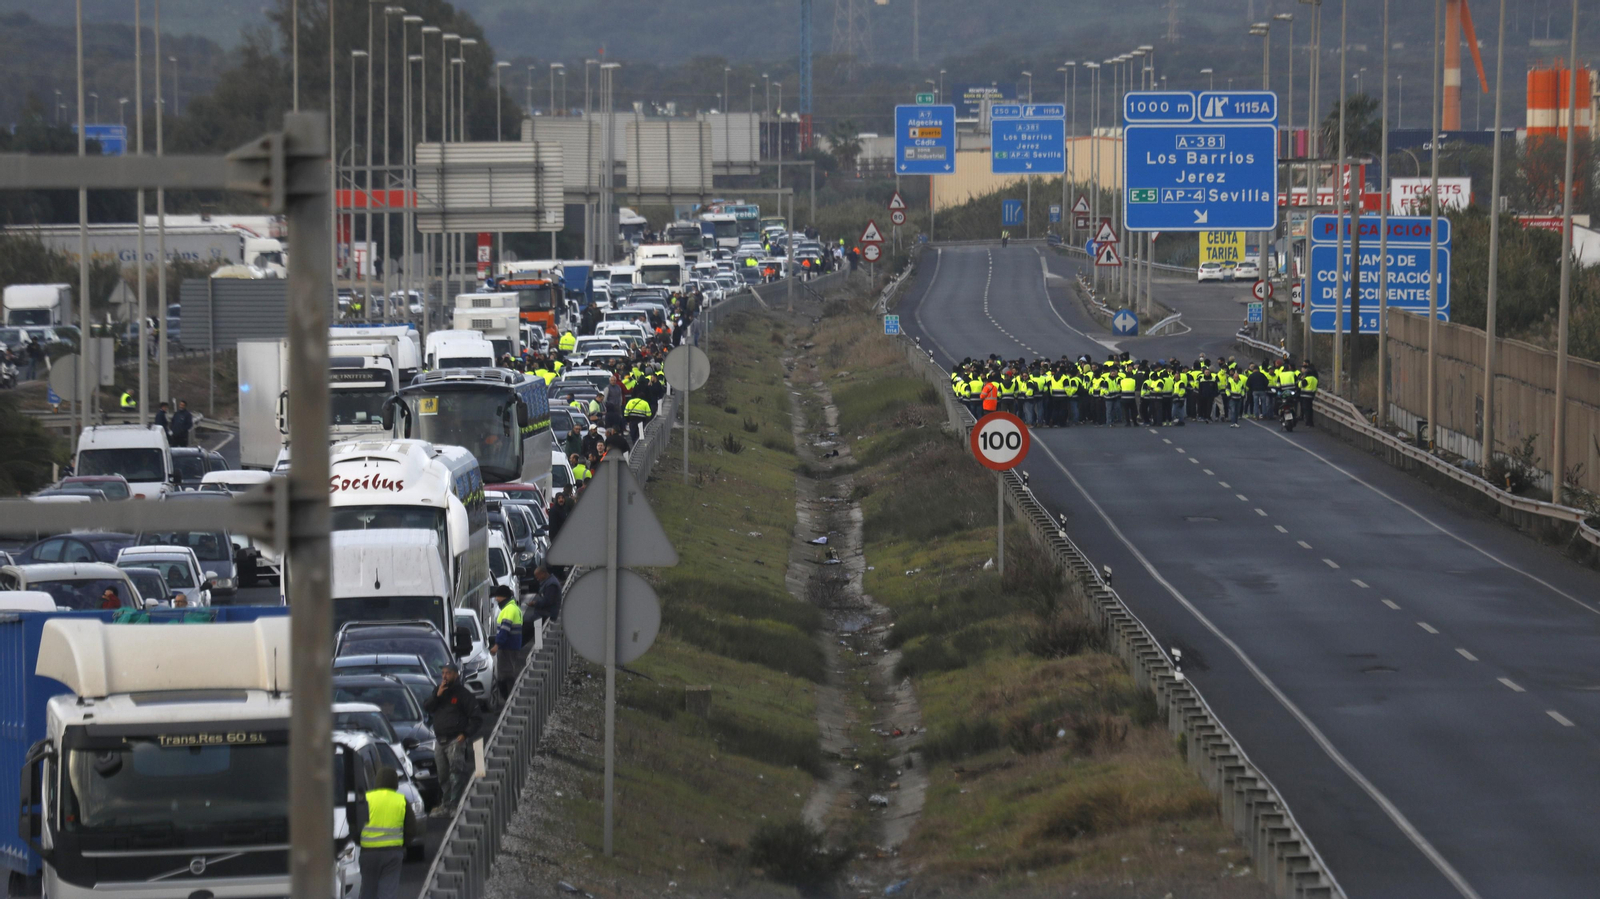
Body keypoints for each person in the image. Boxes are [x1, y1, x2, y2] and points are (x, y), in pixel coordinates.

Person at [422, 664, 482, 815]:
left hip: (455, 740)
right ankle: (446, 804)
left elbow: (476, 718)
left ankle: (456, 804)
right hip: (439, 740)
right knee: (442, 775)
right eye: (443, 673)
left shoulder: (463, 695)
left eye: (448, 673)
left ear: (456, 674)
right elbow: (427, 707)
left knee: (457, 772)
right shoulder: (438, 691)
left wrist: (465, 734)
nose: (444, 676)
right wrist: (437, 696)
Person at [358, 766, 416, 899]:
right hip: (392, 853)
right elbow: (412, 829)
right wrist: (402, 844)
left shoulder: (365, 799)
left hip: (368, 853)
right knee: (388, 892)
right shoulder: (401, 800)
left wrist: (360, 842)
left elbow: (355, 826)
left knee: (367, 891)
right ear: (395, 783)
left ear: (377, 781)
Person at [489, 586, 524, 700]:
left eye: (497, 597)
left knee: (506, 676)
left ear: (503, 597)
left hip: (507, 648)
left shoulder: (509, 609)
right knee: (508, 673)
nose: (496, 599)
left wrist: (496, 645)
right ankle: (511, 699)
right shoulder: (514, 608)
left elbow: (504, 630)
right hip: (512, 647)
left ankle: (510, 700)